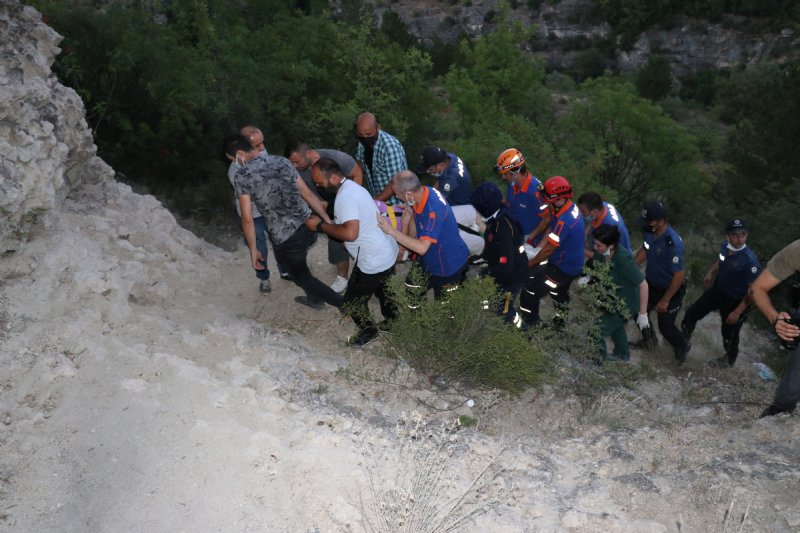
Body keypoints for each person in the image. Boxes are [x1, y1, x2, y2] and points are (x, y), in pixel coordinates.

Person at [225, 134, 343, 310]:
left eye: (233, 159)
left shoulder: (243, 176)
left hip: (287, 237)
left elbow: (248, 219)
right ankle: (314, 299)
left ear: (241, 154)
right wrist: (327, 221)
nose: (234, 163)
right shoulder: (282, 161)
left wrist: (253, 250)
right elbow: (308, 194)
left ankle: (345, 305)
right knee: (291, 261)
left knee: (301, 277)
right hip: (307, 226)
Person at [305, 158, 398, 346]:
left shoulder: (345, 197)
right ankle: (393, 319)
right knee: (383, 287)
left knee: (351, 303)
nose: (317, 186)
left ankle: (368, 331)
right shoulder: (354, 187)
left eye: (319, 182)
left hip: (372, 259)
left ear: (332, 178)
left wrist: (320, 226)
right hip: (387, 251)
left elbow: (350, 233)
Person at [376, 170, 469, 304]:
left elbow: (422, 248)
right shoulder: (423, 193)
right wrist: (406, 222)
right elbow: (413, 235)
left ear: (408, 194)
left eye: (398, 196)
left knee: (445, 307)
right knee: (412, 287)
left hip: (447, 265)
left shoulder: (433, 209)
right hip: (429, 260)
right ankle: (419, 320)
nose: (398, 199)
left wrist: (390, 230)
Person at [681, 218, 762, 368]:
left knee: (729, 334)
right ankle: (682, 344)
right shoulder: (725, 246)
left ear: (747, 236)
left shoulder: (750, 262)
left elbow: (753, 291)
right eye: (735, 235)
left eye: (743, 235)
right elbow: (721, 259)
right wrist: (711, 272)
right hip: (717, 291)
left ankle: (728, 360)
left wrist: (737, 312)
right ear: (728, 236)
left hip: (735, 301)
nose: (739, 239)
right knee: (691, 314)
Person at [286, 141, 364, 294]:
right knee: (331, 236)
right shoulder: (297, 170)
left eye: (296, 161)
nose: (294, 166)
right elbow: (301, 193)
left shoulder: (336, 158)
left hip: (345, 202)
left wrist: (351, 202)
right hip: (319, 206)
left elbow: (357, 174)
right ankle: (341, 275)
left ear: (308, 154)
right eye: (291, 163)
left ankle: (355, 273)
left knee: (345, 236)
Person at [225, 126, 286, 293]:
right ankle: (264, 278)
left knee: (279, 240)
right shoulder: (235, 172)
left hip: (270, 210)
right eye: (257, 144)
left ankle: (285, 270)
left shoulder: (261, 152)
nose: (262, 148)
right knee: (259, 247)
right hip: (253, 215)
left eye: (262, 142)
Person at [519, 176, 585, 328]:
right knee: (559, 293)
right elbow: (551, 227)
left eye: (548, 198)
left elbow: (549, 248)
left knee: (530, 289)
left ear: (559, 198)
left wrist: (530, 263)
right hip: (572, 264)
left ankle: (531, 325)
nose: (546, 201)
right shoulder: (567, 208)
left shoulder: (565, 221)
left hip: (562, 268)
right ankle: (560, 323)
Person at [633, 200, 691, 365]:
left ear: (661, 221)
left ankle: (682, 346)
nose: (645, 224)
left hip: (671, 289)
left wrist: (666, 299)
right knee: (638, 310)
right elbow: (646, 248)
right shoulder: (649, 231)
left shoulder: (673, 244)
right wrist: (632, 266)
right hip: (652, 283)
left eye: (649, 221)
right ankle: (649, 341)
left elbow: (679, 275)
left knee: (666, 327)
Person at [749, 239, 800, 417]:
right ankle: (778, 413)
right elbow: (758, 288)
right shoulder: (797, 251)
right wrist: (775, 319)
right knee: (790, 391)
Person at [469, 183, 527, 327]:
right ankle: (491, 322)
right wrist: (477, 259)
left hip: (512, 275)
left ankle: (522, 333)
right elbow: (492, 246)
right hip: (503, 269)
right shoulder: (496, 218)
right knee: (493, 301)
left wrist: (485, 272)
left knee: (505, 310)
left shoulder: (503, 227)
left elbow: (506, 266)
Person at [591, 224, 649, 362]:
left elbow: (643, 285)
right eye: (594, 243)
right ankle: (623, 355)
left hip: (626, 303)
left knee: (596, 331)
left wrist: (643, 314)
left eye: (598, 245)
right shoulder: (602, 253)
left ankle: (599, 362)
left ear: (611, 245)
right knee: (616, 328)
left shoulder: (623, 259)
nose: (595, 247)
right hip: (613, 298)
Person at [415, 145, 483, 256]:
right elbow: (438, 184)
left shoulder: (451, 179)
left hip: (459, 205)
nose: (427, 171)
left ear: (440, 165)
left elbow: (437, 202)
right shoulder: (450, 158)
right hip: (463, 198)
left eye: (430, 169)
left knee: (442, 228)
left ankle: (471, 247)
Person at [495, 148, 549, 246]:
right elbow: (509, 202)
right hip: (515, 233)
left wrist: (529, 237)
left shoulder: (535, 192)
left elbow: (546, 220)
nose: (503, 177)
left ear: (515, 172)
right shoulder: (512, 184)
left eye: (505, 174)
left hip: (531, 241)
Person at [354, 112, 407, 204]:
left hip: (396, 204)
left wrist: (374, 202)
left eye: (369, 134)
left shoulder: (389, 147)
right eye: (361, 135)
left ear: (377, 128)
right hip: (378, 201)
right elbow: (359, 165)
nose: (365, 138)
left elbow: (396, 182)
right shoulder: (362, 144)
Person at [577, 191, 632, 257]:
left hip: (617, 258)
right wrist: (585, 234)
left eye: (583, 212)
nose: (580, 213)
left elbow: (608, 256)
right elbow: (593, 221)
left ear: (595, 211)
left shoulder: (610, 227)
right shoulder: (602, 206)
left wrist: (580, 251)